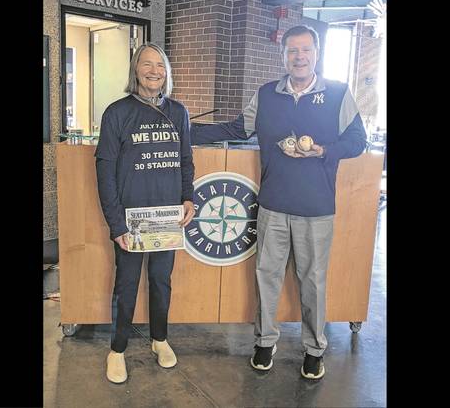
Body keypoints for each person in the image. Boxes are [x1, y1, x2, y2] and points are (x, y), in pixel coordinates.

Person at [190, 25, 366, 379]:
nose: (299, 57)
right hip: (272, 203)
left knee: (313, 281)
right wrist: (183, 127)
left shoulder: (338, 93)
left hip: (316, 206)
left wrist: (323, 151)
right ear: (282, 56)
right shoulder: (267, 94)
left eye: (305, 50)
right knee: (266, 276)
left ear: (316, 54)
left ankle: (315, 349)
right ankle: (264, 342)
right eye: (292, 51)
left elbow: (357, 140)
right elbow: (238, 129)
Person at [95, 42, 195, 384]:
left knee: (160, 282)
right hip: (131, 221)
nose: (154, 71)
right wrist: (115, 222)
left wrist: (188, 198)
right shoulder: (117, 113)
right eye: (147, 64)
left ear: (167, 73)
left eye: (161, 66)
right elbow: (105, 170)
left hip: (167, 217)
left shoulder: (179, 112)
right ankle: (117, 349)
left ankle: (160, 340)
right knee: (125, 284)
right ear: (135, 71)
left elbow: (185, 161)